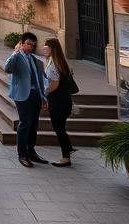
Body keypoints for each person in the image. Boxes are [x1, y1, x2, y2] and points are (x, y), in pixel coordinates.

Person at [4, 32, 48, 167]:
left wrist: (43, 96)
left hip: (35, 94)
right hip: (22, 95)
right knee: (25, 123)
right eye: (28, 44)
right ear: (21, 43)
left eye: (32, 45)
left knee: (34, 123)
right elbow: (7, 68)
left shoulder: (34, 59)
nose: (30, 47)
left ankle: (31, 151)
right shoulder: (17, 57)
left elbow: (39, 79)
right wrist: (15, 52)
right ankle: (22, 154)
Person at [43, 37, 76, 167]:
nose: (44, 48)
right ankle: (68, 148)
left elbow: (54, 84)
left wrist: (44, 94)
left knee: (59, 129)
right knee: (61, 127)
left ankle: (65, 158)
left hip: (58, 102)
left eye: (46, 46)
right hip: (65, 100)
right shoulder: (62, 62)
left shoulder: (53, 65)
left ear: (52, 49)